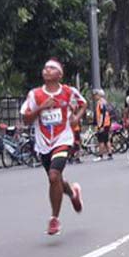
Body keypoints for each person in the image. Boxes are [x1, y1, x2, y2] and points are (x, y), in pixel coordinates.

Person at [20, 59, 86, 236]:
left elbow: (83, 104)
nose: (47, 70)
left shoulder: (68, 92)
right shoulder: (35, 94)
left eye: (52, 68)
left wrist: (76, 118)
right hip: (43, 144)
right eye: (45, 67)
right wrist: (41, 108)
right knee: (56, 180)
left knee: (53, 175)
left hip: (63, 139)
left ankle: (54, 219)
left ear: (60, 74)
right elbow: (25, 119)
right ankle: (72, 192)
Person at [91, 89, 112, 162]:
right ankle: (110, 154)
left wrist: (100, 125)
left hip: (103, 124)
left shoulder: (100, 103)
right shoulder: (105, 102)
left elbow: (102, 115)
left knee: (101, 140)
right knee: (106, 140)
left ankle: (100, 155)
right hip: (107, 123)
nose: (94, 97)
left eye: (95, 95)